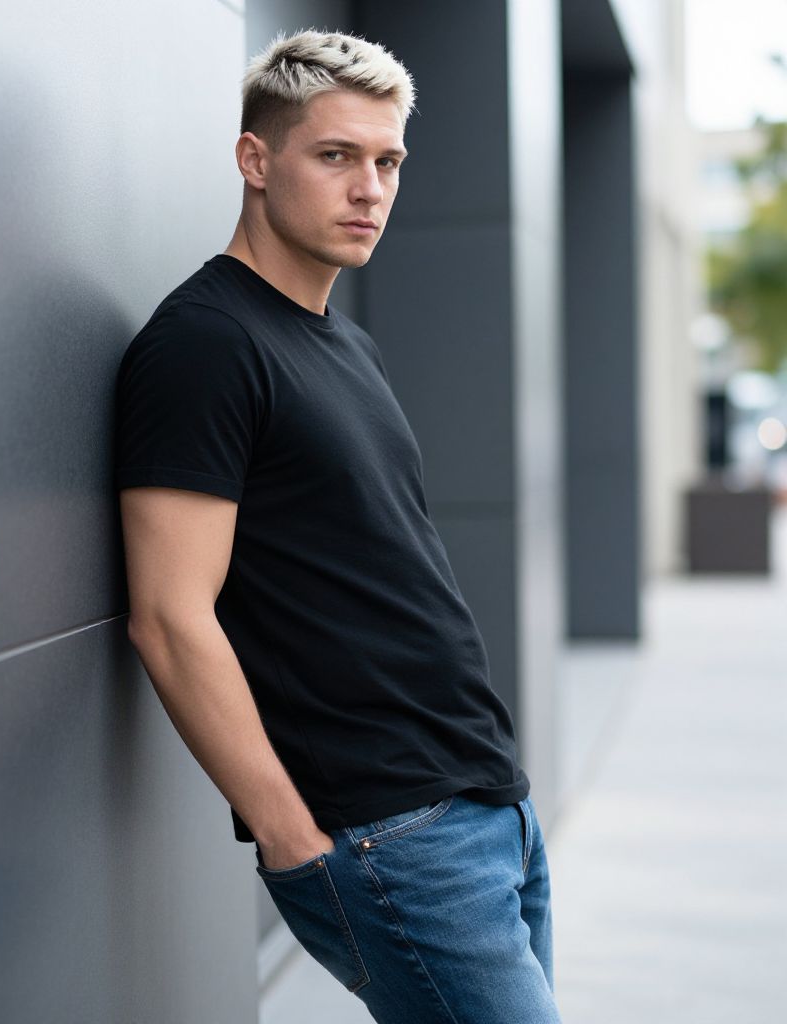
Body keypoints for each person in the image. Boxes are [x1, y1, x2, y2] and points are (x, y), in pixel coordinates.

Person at [114, 27, 561, 1024]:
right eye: (336, 155)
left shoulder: (342, 342)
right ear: (255, 159)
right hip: (386, 829)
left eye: (388, 160)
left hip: (486, 803)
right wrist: (287, 832)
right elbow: (169, 615)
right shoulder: (204, 347)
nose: (371, 187)